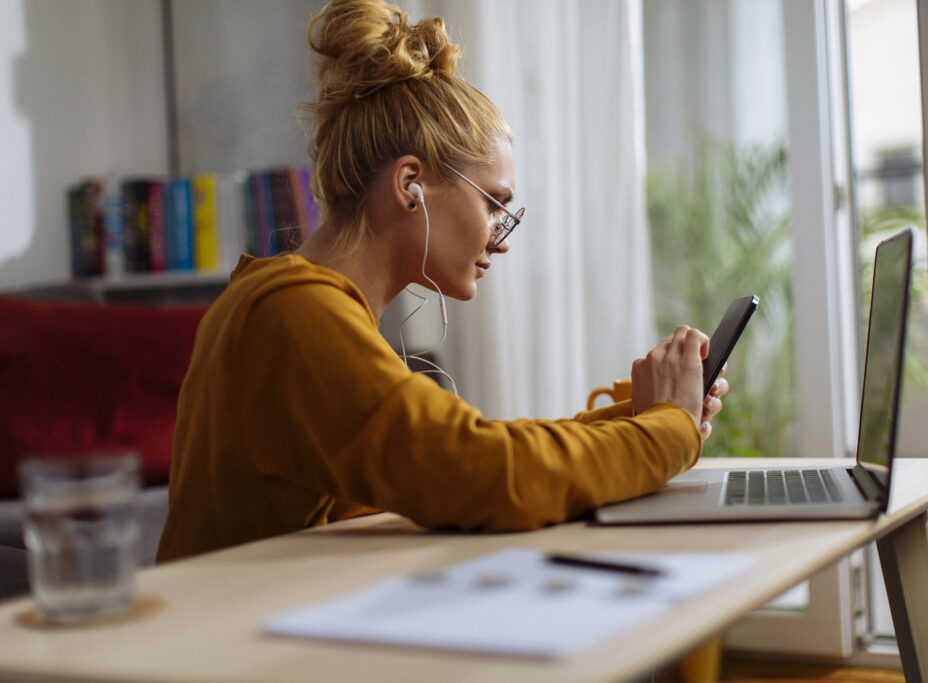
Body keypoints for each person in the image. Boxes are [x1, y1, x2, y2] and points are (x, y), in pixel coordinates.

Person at [156, 0, 727, 563]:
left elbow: (463, 452)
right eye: (494, 204)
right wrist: (665, 431)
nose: (501, 238)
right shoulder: (291, 311)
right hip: (226, 646)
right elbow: (480, 472)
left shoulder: (296, 304)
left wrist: (642, 417)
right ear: (411, 185)